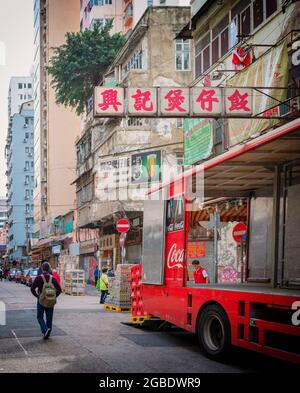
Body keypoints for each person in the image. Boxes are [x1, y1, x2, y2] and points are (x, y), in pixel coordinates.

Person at [31, 261, 61, 340]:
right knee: (49, 318)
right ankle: (48, 332)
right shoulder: (53, 278)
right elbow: (59, 290)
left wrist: (37, 296)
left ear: (42, 269)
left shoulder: (38, 278)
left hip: (41, 300)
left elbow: (32, 289)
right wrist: (54, 296)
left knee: (40, 316)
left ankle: (45, 330)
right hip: (51, 300)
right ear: (49, 269)